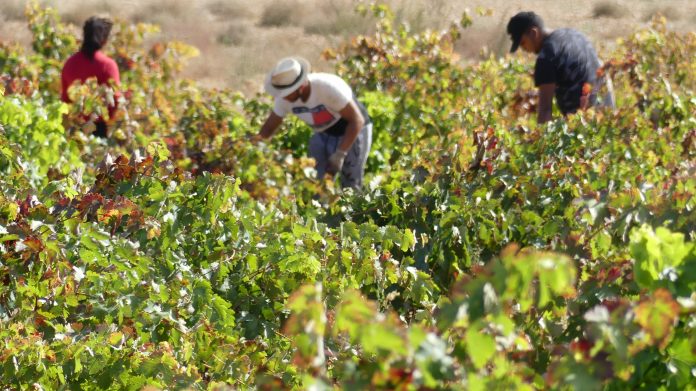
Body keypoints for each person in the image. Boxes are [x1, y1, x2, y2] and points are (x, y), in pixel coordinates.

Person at [256, 57, 372, 190]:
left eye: (287, 93)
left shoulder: (327, 88)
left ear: (301, 86)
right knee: (316, 181)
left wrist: (340, 154)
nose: (283, 97)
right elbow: (268, 128)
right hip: (323, 132)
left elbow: (357, 120)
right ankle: (322, 207)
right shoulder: (284, 99)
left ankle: (353, 208)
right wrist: (254, 147)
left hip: (353, 130)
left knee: (350, 181)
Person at [507, 11, 614, 124]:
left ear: (534, 33)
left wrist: (541, 140)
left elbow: (545, 110)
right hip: (606, 110)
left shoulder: (547, 57)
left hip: (583, 123)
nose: (524, 49)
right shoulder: (573, 34)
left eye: (523, 43)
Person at [61, 16, 120, 138]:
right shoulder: (108, 65)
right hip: (100, 131)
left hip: (74, 130)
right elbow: (115, 100)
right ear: (103, 40)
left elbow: (65, 99)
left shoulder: (70, 63)